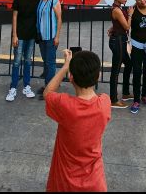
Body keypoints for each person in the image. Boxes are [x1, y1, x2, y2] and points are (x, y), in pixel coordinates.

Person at [44, 49, 111, 192]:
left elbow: (48, 93)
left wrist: (65, 66)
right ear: (98, 76)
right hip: (95, 182)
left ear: (71, 77)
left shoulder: (65, 105)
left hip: (64, 182)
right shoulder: (105, 102)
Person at [6, 0, 40, 101]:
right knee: (16, 61)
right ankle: (13, 87)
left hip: (31, 35)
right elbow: (14, 17)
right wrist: (14, 35)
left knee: (28, 61)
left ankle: (27, 86)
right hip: (20, 35)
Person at [107, 0, 133, 108]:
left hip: (119, 40)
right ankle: (113, 99)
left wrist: (113, 27)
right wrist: (130, 15)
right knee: (116, 70)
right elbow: (127, 27)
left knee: (129, 64)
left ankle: (126, 93)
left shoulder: (118, 7)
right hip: (118, 41)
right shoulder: (117, 9)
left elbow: (118, 22)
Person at [36, 0, 62, 100]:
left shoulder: (54, 0)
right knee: (45, 60)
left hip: (51, 36)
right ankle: (52, 83)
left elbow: (59, 18)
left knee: (50, 62)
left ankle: (49, 89)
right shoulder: (40, 0)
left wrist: (57, 36)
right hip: (41, 36)